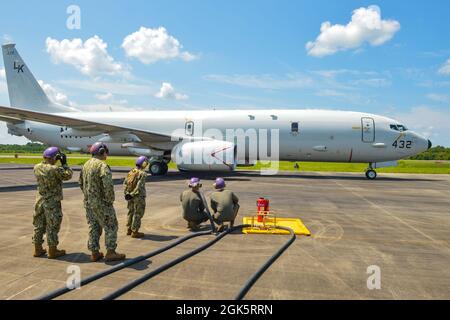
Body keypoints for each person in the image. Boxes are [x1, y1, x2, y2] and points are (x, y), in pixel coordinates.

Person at [79, 142, 126, 262]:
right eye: (106, 152)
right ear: (101, 152)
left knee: (94, 226)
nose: (106, 154)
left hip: (89, 202)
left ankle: (94, 252)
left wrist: (88, 195)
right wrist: (109, 200)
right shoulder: (102, 166)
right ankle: (111, 252)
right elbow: (108, 185)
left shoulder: (86, 165)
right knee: (111, 225)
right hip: (101, 203)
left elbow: (80, 182)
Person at [33, 147, 73, 258]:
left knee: (39, 225)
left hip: (40, 200)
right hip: (52, 201)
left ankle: (37, 249)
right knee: (52, 225)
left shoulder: (36, 167)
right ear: (56, 157)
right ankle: (52, 250)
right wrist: (64, 163)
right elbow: (68, 175)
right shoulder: (55, 169)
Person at [124, 156, 148, 238]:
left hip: (129, 195)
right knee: (138, 213)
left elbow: (125, 183)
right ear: (144, 164)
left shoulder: (131, 171)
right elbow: (139, 186)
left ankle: (129, 229)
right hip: (138, 196)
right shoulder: (143, 173)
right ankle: (135, 231)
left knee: (130, 212)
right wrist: (133, 194)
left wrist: (127, 193)